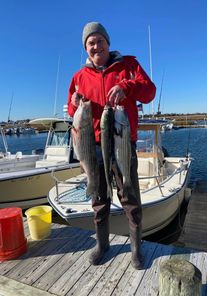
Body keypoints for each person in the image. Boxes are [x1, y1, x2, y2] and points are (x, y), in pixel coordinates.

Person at [67, 22, 156, 270]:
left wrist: (127, 86)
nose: (96, 46)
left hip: (121, 141)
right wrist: (74, 104)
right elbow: (73, 113)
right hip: (92, 146)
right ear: (86, 48)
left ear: (108, 42)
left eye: (100, 40)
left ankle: (137, 249)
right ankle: (102, 244)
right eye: (90, 43)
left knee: (130, 197)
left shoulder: (128, 65)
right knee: (98, 197)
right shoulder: (78, 77)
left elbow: (149, 93)